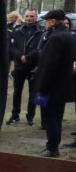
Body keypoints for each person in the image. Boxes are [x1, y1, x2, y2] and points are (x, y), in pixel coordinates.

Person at [25, 9, 76, 157]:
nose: (45, 23)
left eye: (47, 20)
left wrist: (41, 87)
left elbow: (49, 65)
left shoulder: (56, 38)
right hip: (61, 86)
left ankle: (52, 147)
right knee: (57, 117)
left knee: (50, 117)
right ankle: (53, 145)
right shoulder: (68, 36)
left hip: (51, 87)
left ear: (53, 21)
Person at [7, 9, 43, 126]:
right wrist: (20, 56)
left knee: (33, 92)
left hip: (34, 66)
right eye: (27, 16)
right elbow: (12, 46)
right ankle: (15, 115)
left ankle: (30, 116)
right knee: (17, 92)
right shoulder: (18, 30)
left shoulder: (41, 32)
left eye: (31, 16)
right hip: (19, 66)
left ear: (36, 18)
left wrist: (28, 57)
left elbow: (40, 48)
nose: (29, 18)